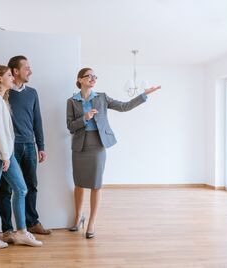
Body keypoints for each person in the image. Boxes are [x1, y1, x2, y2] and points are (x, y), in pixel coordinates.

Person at [66, 67, 161, 239]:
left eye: (95, 76)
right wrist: (84, 118)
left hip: (97, 144)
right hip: (79, 145)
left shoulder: (102, 97)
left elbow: (124, 107)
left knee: (96, 184)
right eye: (89, 76)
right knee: (79, 183)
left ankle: (92, 222)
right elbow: (70, 126)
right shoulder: (72, 101)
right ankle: (78, 217)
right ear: (80, 79)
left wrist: (144, 95)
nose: (93, 78)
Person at [0, 56, 51, 244]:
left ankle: (30, 222)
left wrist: (41, 146)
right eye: (26, 68)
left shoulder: (31, 93)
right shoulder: (2, 94)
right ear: (14, 71)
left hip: (28, 145)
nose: (30, 71)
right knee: (6, 189)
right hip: (8, 147)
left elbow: (38, 120)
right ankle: (7, 230)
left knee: (29, 186)